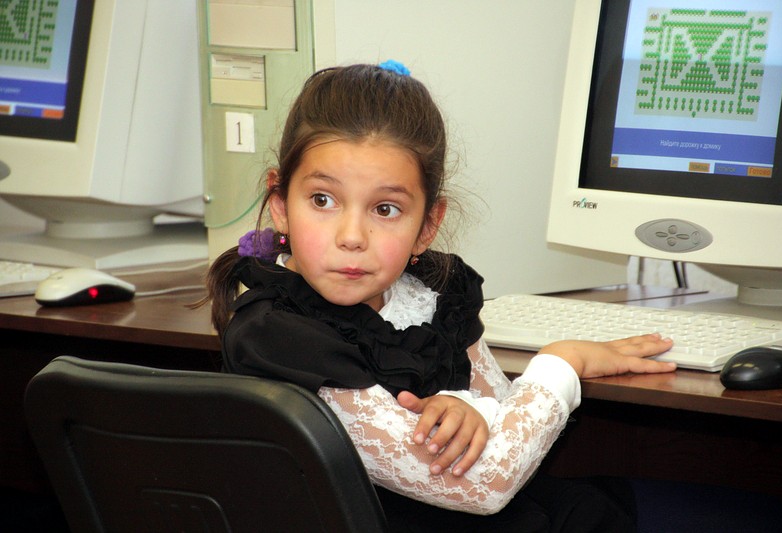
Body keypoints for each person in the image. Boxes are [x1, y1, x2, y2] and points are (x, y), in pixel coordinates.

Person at [201, 61, 751, 531]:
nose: (351, 236)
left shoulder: (431, 296)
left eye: (385, 209)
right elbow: (484, 485)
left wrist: (470, 409)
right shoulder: (278, 337)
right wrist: (563, 363)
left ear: (428, 224)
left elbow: (502, 411)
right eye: (323, 200)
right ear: (280, 203)